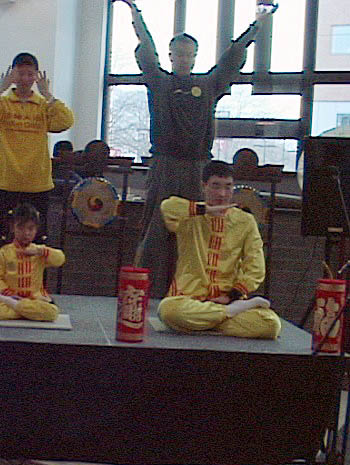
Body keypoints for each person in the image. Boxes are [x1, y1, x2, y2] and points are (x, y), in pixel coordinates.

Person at [118, 0, 278, 297]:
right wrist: (135, 14)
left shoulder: (208, 85)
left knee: (197, 231)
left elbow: (231, 59)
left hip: (197, 168)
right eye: (178, 54)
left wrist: (256, 25)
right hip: (164, 165)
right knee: (154, 230)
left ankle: (192, 293)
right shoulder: (160, 82)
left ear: (194, 57)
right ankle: (144, 296)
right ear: (171, 56)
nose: (183, 59)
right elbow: (146, 51)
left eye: (188, 54)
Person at [0, 52, 74, 301]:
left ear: (36, 76)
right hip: (3, 179)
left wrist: (48, 94)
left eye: (30, 74)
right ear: (13, 75)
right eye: (20, 73)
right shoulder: (2, 103)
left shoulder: (44, 106)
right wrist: (0, 89)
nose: (26, 79)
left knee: (38, 238)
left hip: (36, 182)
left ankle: (37, 289)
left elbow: (65, 121)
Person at [157, 161, 281, 339]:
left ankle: (204, 321)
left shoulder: (245, 221)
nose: (222, 194)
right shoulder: (190, 216)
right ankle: (226, 315)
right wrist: (206, 210)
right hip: (189, 298)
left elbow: (255, 266)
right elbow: (167, 207)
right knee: (169, 311)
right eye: (215, 186)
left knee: (270, 325)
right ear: (204, 186)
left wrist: (232, 295)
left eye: (228, 187)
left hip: (229, 299)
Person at [0, 203, 65, 322]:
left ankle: (17, 308)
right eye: (21, 228)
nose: (26, 233)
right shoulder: (4, 252)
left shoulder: (39, 251)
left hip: (35, 299)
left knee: (52, 313)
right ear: (13, 228)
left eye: (30, 228)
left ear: (36, 230)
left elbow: (60, 259)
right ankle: (27, 312)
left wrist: (40, 251)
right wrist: (7, 293)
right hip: (11, 297)